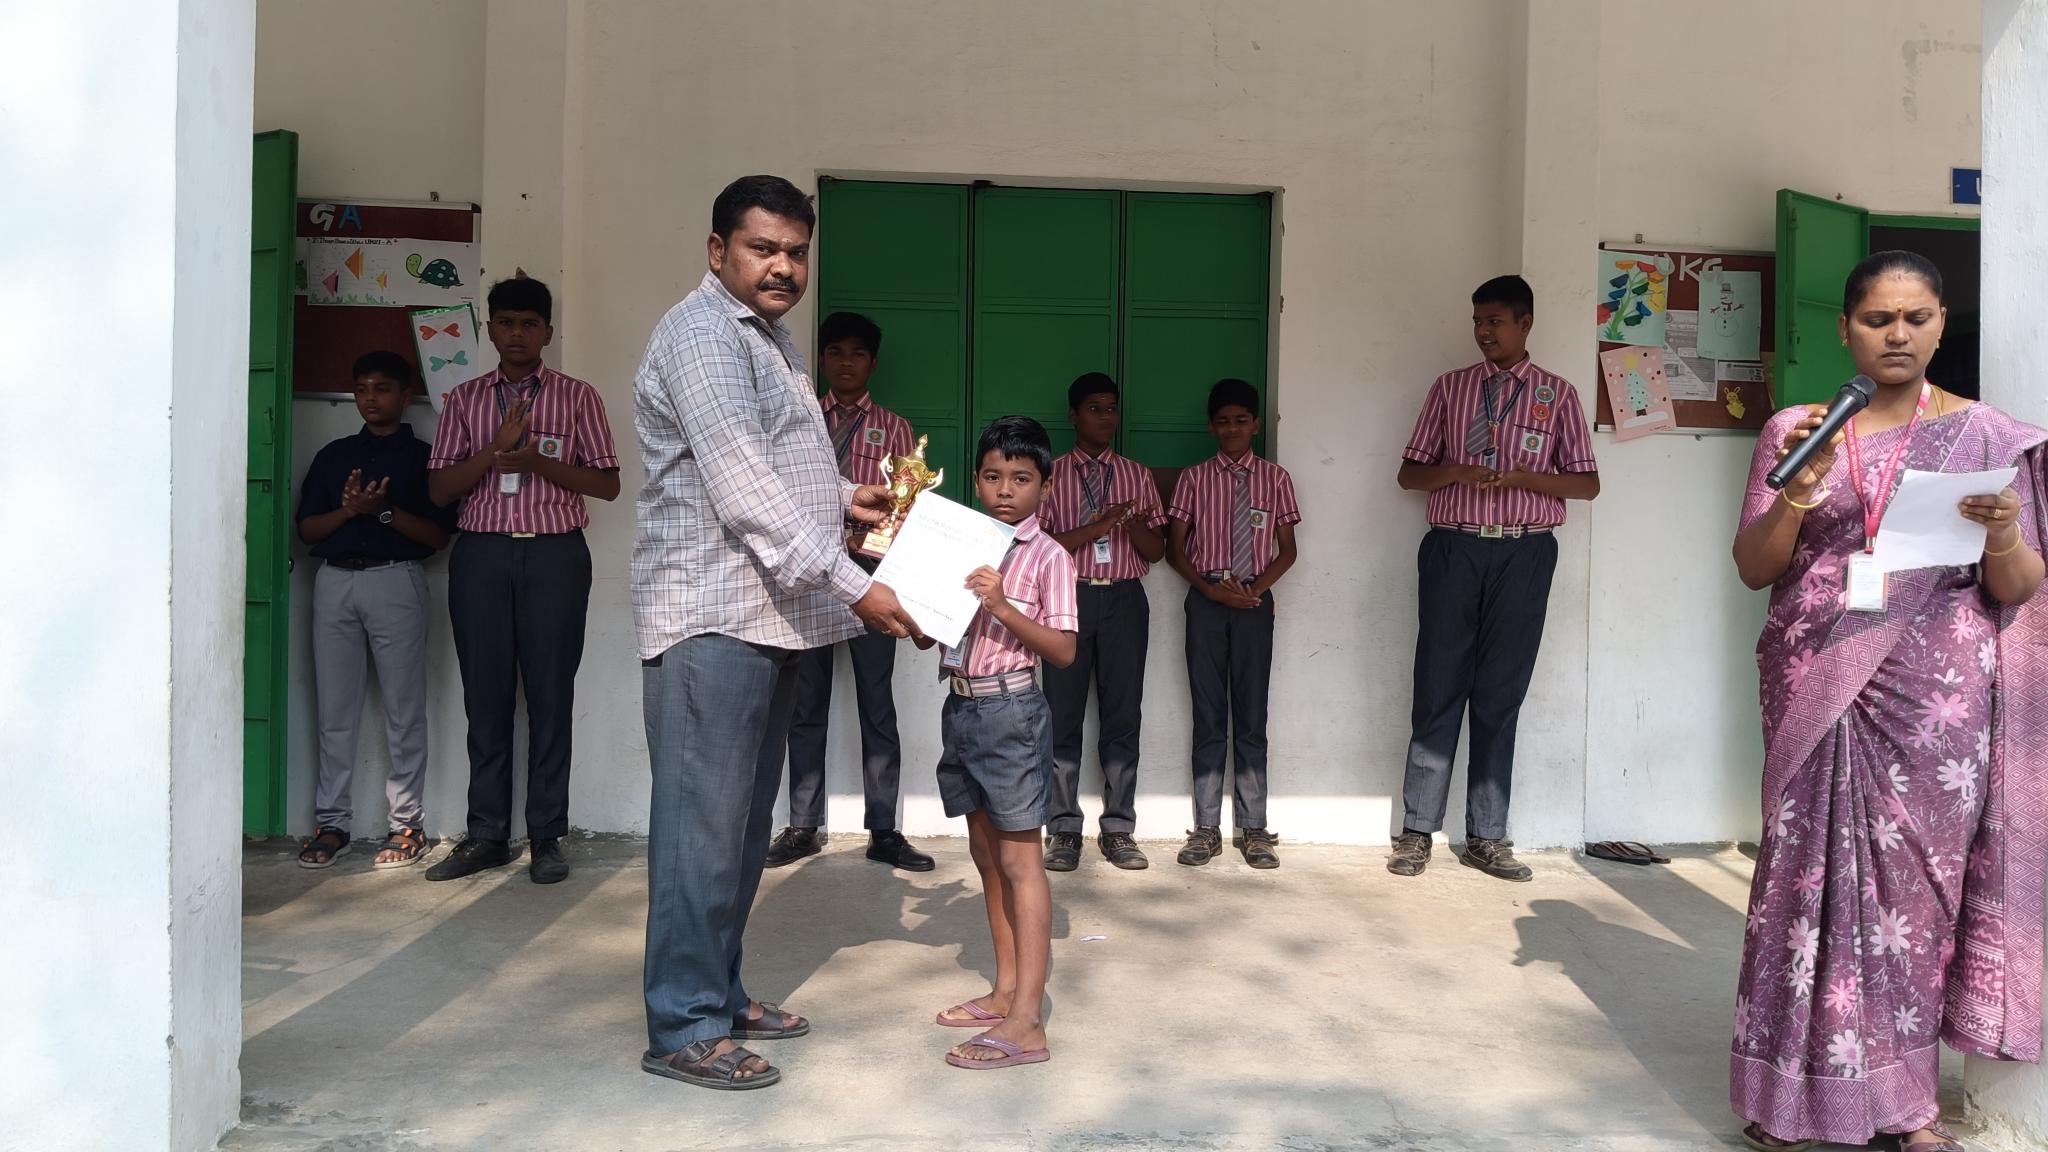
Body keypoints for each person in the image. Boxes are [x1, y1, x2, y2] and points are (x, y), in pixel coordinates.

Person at [1728, 251, 2047, 1152]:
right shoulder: (1798, 429)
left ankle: (1908, 1109)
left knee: (1917, 897)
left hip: (1936, 701)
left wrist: (2004, 533)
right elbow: (1754, 566)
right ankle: (1787, 1101)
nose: (1897, 335)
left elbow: (2020, 586)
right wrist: (1794, 498)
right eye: (1877, 320)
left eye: (1916, 318)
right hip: (1817, 678)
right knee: (1800, 887)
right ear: (1845, 329)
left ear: (1941, 325)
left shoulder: (1987, 438)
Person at [633, 175, 921, 1092]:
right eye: (763, 248)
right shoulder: (703, 336)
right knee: (701, 832)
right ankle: (683, 1026)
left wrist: (845, 496)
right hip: (712, 619)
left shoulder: (767, 339)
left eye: (796, 251)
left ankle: (717, 993)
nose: (783, 266)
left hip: (769, 619)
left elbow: (779, 469)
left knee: (739, 829)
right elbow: (747, 492)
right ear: (718, 250)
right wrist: (857, 587)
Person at [1389, 274, 1599, 883]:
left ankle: (1486, 835)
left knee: (1500, 693)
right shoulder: (1450, 389)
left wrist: (1528, 479)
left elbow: (1586, 484)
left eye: (1495, 322)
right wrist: (1454, 470)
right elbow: (1409, 475)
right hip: (1453, 548)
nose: (1484, 332)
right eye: (1478, 321)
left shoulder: (1557, 395)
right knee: (1437, 685)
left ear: (1525, 323)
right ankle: (1416, 832)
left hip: (1524, 553)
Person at [425, 275, 621, 885]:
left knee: (549, 695)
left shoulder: (577, 398)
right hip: (481, 556)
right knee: (484, 696)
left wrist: (536, 461)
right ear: (490, 329)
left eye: (529, 324)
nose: (517, 334)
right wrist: (496, 450)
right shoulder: (464, 400)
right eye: (506, 323)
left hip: (554, 556)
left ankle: (546, 837)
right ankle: (486, 834)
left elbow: (608, 484)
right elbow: (440, 490)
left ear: (547, 332)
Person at [926, 415, 1076, 1070]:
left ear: (1045, 485)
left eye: (1021, 478)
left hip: (1012, 712)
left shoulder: (1050, 557)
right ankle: (1005, 989)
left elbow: (1064, 651)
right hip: (962, 707)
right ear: (976, 480)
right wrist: (918, 611)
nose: (1005, 490)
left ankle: (1028, 1022)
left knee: (1020, 861)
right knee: (986, 855)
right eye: (992, 476)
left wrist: (1003, 605)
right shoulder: (962, 548)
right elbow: (935, 633)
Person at [767, 310, 933, 874]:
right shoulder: (800, 421)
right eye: (835, 352)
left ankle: (884, 830)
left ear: (873, 364)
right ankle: (802, 825)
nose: (845, 363)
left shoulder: (896, 429)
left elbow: (907, 512)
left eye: (857, 353)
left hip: (870, 576)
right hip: (809, 574)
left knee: (876, 701)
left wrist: (875, 542)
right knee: (804, 702)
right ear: (821, 360)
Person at [294, 352, 456, 869]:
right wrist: (348, 510)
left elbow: (437, 536)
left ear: (406, 395)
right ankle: (332, 824)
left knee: (403, 709)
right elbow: (307, 530)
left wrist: (382, 511)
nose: (370, 398)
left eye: (382, 388)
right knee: (334, 710)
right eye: (361, 388)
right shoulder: (334, 455)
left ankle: (407, 825)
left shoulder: (425, 459)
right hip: (334, 581)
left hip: (395, 579)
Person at [1164, 378, 1300, 869]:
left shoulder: (1276, 479)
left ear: (1256, 424)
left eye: (1241, 420)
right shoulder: (1194, 479)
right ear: (1211, 426)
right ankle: (1206, 828)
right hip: (1205, 600)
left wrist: (1253, 590)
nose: (1232, 429)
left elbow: (1288, 551)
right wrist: (1209, 590)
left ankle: (1254, 828)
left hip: (1254, 602)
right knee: (1208, 715)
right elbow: (1175, 550)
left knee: (1251, 714)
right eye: (1223, 421)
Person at [1038, 372, 1165, 871]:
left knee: (1122, 714)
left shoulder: (1136, 476)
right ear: (1073, 415)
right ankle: (1064, 828)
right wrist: (1098, 527)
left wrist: (1129, 525)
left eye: (1111, 409)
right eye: (1094, 409)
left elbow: (1156, 552)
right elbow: (1041, 547)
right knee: (1062, 714)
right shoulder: (1051, 476)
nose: (1105, 417)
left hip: (1125, 600)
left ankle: (1119, 828)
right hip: (1068, 599)